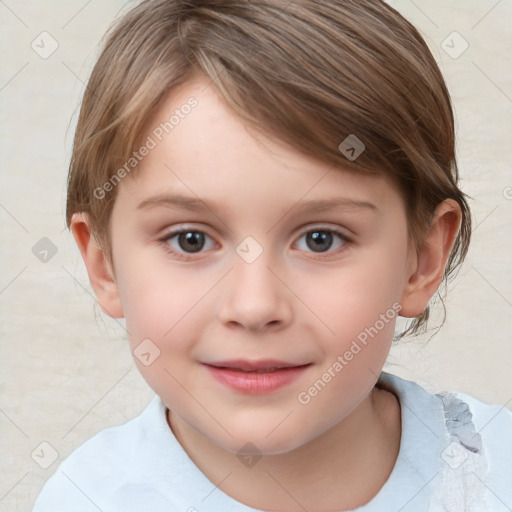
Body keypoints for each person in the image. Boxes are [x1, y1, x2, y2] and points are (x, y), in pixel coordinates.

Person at [32, 0, 512, 510]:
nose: (255, 306)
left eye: (321, 239)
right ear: (104, 266)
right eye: (190, 240)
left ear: (422, 259)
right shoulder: (89, 499)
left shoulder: (496, 471)